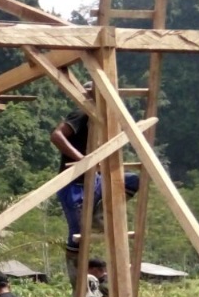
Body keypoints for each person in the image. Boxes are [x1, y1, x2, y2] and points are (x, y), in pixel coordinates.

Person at [50, 82, 139, 285]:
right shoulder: (82, 113)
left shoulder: (102, 119)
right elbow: (56, 136)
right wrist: (82, 159)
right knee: (77, 235)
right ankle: (78, 285)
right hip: (73, 184)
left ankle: (99, 215)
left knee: (133, 180)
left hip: (95, 180)